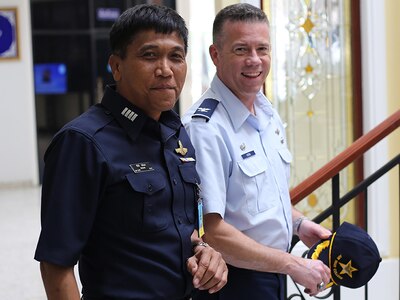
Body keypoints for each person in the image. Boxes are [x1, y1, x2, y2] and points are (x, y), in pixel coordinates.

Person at [34, 4, 228, 300]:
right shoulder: (83, 142)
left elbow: (180, 227)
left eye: (176, 56)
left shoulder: (175, 132)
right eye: (149, 55)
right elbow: (55, 264)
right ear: (117, 66)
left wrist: (204, 250)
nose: (165, 70)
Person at [182, 3, 331, 300]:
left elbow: (258, 199)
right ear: (215, 55)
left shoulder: (266, 113)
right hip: (231, 283)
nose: (254, 60)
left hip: (271, 273)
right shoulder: (205, 127)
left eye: (262, 49)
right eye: (241, 50)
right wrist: (292, 264)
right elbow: (212, 231)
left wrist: (298, 224)